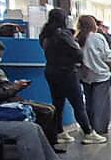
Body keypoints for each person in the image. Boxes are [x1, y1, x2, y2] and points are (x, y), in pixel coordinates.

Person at [0, 38, 64, 149]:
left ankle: (48, 145)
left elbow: (1, 86)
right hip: (0, 105)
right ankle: (39, 146)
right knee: (46, 112)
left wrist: (14, 86)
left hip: (10, 99)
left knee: (51, 108)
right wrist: (15, 88)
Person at [38, 8, 104, 145]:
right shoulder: (63, 34)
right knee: (78, 103)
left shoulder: (45, 34)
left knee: (58, 103)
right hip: (66, 72)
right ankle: (88, 132)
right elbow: (77, 53)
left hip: (51, 70)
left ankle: (59, 132)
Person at [78, 14, 111, 137]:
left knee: (89, 103)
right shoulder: (98, 37)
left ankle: (89, 127)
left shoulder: (78, 39)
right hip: (101, 75)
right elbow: (107, 56)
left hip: (86, 76)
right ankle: (100, 129)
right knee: (101, 104)